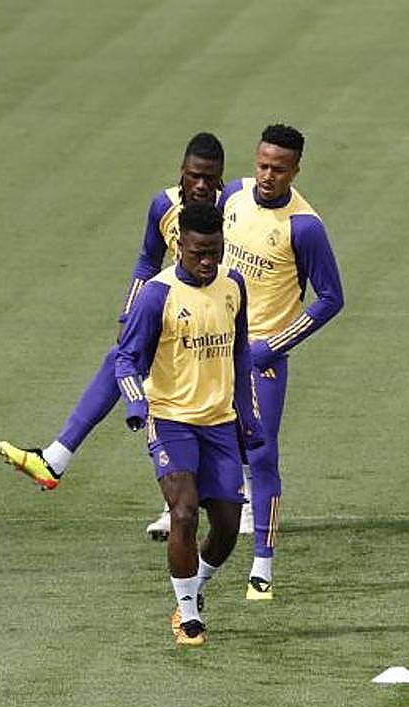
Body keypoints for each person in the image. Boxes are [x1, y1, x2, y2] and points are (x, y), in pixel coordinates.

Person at [0, 133, 241, 540]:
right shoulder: (164, 206)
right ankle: (58, 459)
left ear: (220, 179)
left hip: (227, 320)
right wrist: (131, 310)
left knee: (226, 410)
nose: (201, 185)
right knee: (123, 361)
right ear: (182, 171)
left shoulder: (234, 208)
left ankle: (236, 502)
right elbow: (148, 258)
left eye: (209, 178)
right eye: (194, 176)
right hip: (180, 319)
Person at [115, 203, 264, 645]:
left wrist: (247, 415)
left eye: (215, 251)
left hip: (220, 424)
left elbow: (238, 351)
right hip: (173, 420)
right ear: (180, 244)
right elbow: (125, 358)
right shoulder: (156, 295)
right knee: (182, 511)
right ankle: (188, 618)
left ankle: (192, 592)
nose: (207, 261)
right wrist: (137, 404)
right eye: (199, 252)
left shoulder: (233, 285)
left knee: (227, 526)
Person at [219, 124, 345, 600]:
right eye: (262, 166)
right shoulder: (233, 196)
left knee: (262, 452)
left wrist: (275, 344)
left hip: (261, 357)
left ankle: (262, 566)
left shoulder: (304, 226)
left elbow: (331, 298)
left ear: (296, 170)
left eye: (279, 169)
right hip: (212, 345)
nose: (268, 176)